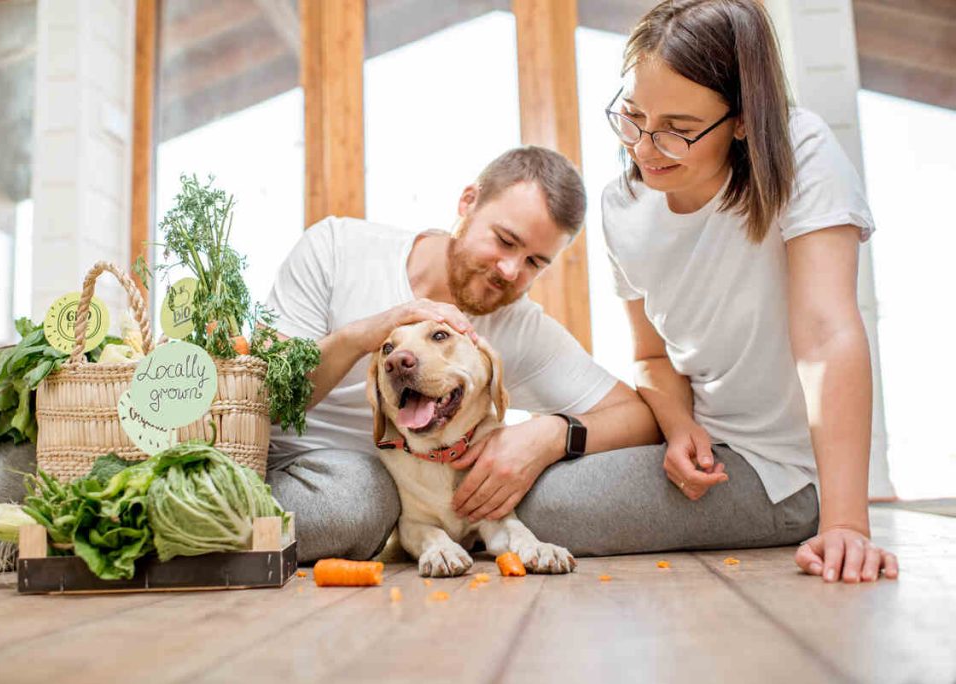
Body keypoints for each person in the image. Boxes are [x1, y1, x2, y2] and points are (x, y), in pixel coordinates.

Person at [567, 0, 897, 583]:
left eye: (679, 131)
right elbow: (650, 356)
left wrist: (846, 523)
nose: (644, 149)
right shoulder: (622, 205)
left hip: (787, 474)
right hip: (707, 452)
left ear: (743, 120)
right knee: (529, 481)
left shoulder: (800, 152)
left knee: (547, 508)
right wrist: (678, 428)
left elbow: (826, 335)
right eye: (633, 115)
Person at [262, 146, 661, 563]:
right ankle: (230, 527)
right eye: (505, 241)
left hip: (408, 507)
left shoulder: (519, 328)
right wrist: (364, 336)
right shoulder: (337, 248)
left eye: (534, 263)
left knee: (557, 491)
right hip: (293, 475)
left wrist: (549, 436)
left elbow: (637, 418)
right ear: (467, 202)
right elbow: (266, 398)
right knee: (362, 498)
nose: (509, 270)